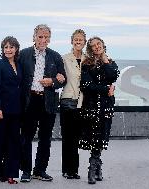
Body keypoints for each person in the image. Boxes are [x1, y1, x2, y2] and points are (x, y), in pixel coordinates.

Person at [19, 24, 66, 182]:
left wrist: (52, 81)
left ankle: (39, 170)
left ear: (50, 39)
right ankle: (26, 171)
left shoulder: (55, 56)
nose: (43, 40)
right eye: (40, 37)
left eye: (46, 37)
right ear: (34, 37)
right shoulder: (23, 54)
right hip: (29, 101)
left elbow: (62, 80)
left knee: (45, 138)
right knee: (26, 136)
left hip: (48, 102)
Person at [79, 36, 119, 184]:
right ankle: (94, 167)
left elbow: (113, 76)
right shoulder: (87, 64)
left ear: (103, 45)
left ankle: (94, 166)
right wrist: (106, 88)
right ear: (90, 49)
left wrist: (106, 61)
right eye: (93, 45)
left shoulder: (111, 63)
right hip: (91, 106)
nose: (96, 47)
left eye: (98, 44)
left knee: (101, 136)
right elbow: (87, 86)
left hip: (106, 105)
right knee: (94, 136)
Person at [0, 36, 21, 184]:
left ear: (16, 49)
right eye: (6, 47)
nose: (8, 50)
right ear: (3, 49)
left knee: (13, 143)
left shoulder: (18, 64)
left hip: (16, 111)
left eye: (11, 47)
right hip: (1, 111)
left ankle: (11, 174)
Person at [60, 29, 87, 179]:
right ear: (72, 41)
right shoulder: (64, 59)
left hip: (82, 102)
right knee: (67, 137)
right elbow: (59, 78)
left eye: (81, 40)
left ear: (84, 42)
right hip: (67, 100)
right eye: (76, 39)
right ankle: (66, 170)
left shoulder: (88, 59)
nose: (78, 42)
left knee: (76, 137)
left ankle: (74, 170)